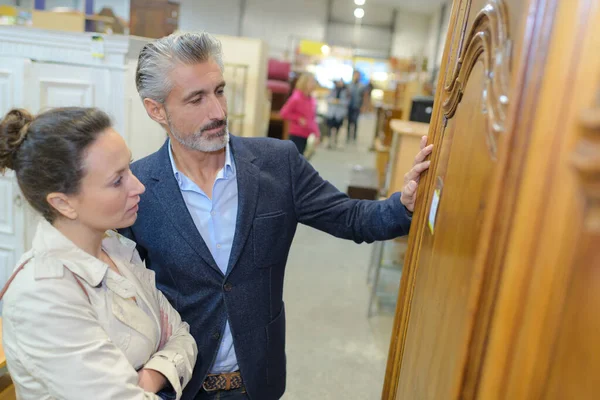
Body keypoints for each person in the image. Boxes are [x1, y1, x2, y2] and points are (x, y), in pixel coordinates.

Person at [121, 31, 432, 400]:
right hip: (177, 388)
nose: (218, 111)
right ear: (156, 109)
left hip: (257, 383)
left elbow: (351, 217)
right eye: (196, 99)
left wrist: (405, 204)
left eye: (219, 91)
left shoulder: (277, 163)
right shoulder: (137, 189)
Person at [0, 107, 198, 400]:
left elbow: (182, 336)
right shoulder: (41, 295)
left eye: (129, 168)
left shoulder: (115, 250)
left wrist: (147, 379)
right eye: (117, 180)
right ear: (63, 203)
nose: (138, 186)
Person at [279, 73, 320, 156]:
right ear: (304, 83)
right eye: (311, 82)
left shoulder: (311, 100)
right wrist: (298, 118)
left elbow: (312, 118)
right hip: (296, 134)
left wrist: (317, 134)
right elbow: (283, 113)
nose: (313, 84)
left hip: (306, 135)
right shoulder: (296, 98)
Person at [325, 79, 349, 149]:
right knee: (329, 127)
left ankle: (335, 141)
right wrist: (333, 100)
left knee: (338, 128)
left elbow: (347, 102)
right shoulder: (333, 90)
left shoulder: (345, 91)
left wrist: (339, 102)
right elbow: (327, 98)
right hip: (331, 112)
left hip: (339, 113)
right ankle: (329, 141)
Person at [346, 70, 365, 144]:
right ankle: (348, 135)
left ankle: (354, 136)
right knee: (349, 121)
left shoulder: (362, 86)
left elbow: (363, 97)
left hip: (357, 106)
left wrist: (363, 106)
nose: (357, 77)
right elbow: (346, 95)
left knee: (355, 121)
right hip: (349, 106)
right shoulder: (349, 85)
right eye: (355, 75)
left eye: (358, 75)